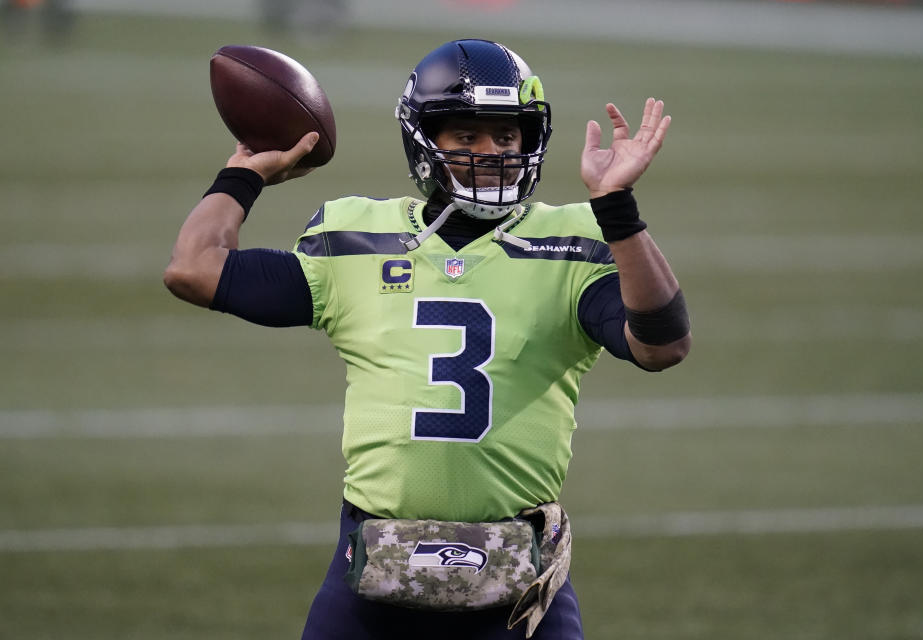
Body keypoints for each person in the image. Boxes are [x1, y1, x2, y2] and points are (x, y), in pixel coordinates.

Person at [165, 39, 690, 640]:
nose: (490, 152)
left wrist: (617, 208)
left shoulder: (574, 239)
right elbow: (193, 268)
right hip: (372, 573)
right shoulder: (356, 237)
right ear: (425, 142)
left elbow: (662, 343)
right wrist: (244, 174)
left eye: (505, 135)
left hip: (517, 583)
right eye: (465, 136)